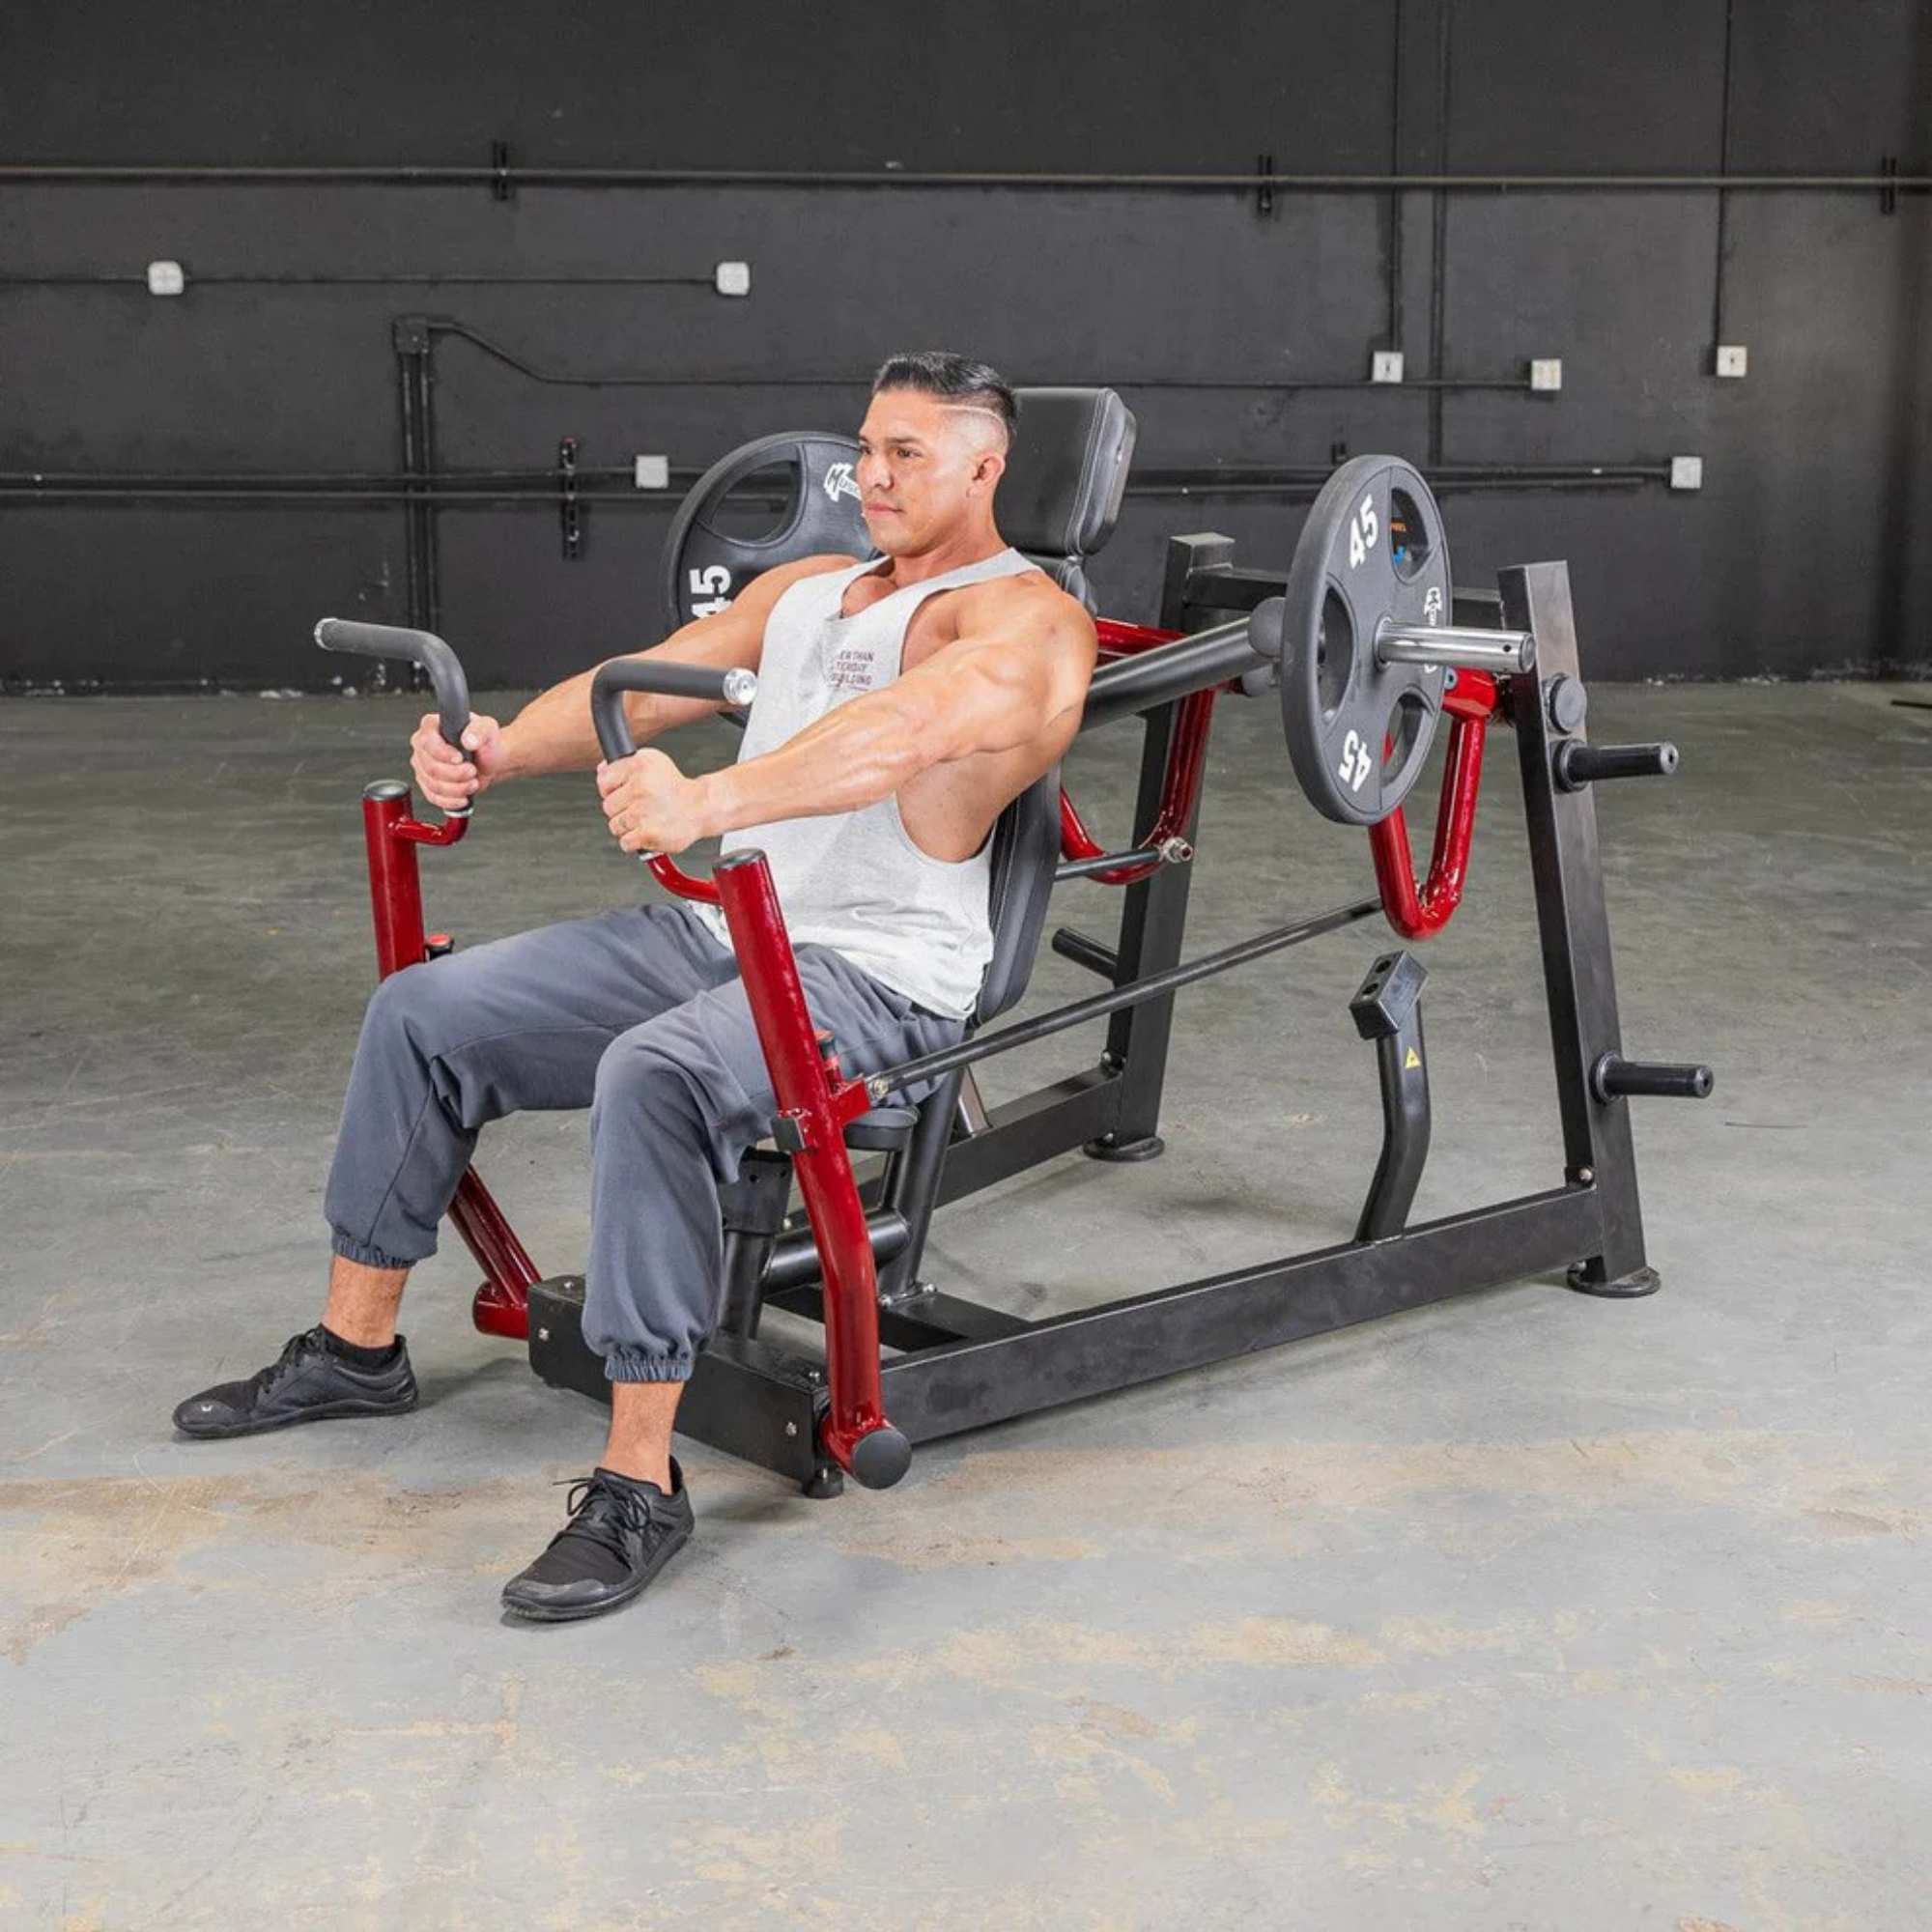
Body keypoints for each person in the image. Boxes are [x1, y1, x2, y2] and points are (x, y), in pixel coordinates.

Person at [173, 352, 1099, 1622]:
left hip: (880, 977)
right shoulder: (809, 589)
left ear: (986, 468)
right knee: (424, 1015)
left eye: (908, 457)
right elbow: (653, 676)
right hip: (735, 936)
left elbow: (912, 729)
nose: (870, 477)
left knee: (657, 1075)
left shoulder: (1028, 622)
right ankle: (355, 1351)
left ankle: (638, 1480)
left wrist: (714, 800)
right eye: (868, 449)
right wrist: (491, 754)